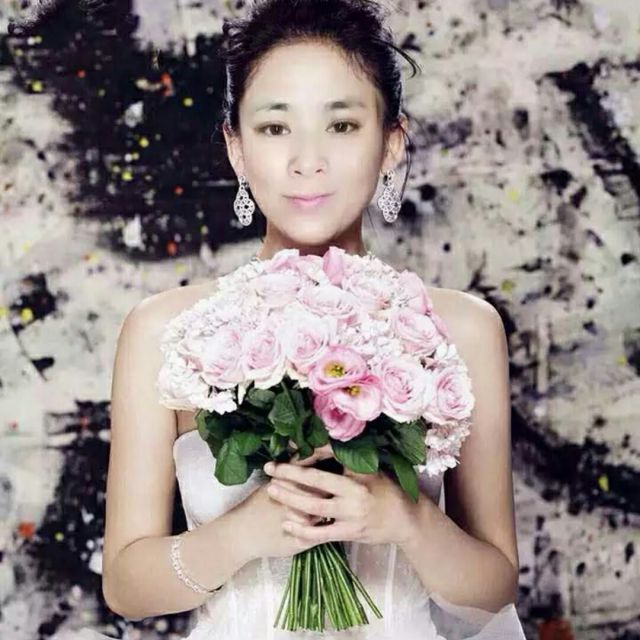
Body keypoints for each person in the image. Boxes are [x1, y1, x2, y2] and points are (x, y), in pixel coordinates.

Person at [66, 1, 529, 638]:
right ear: (236, 149)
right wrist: (244, 534)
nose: (307, 160)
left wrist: (405, 521)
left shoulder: (461, 329)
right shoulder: (165, 331)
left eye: (341, 125)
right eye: (275, 127)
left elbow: (495, 586)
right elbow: (126, 586)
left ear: (391, 143)